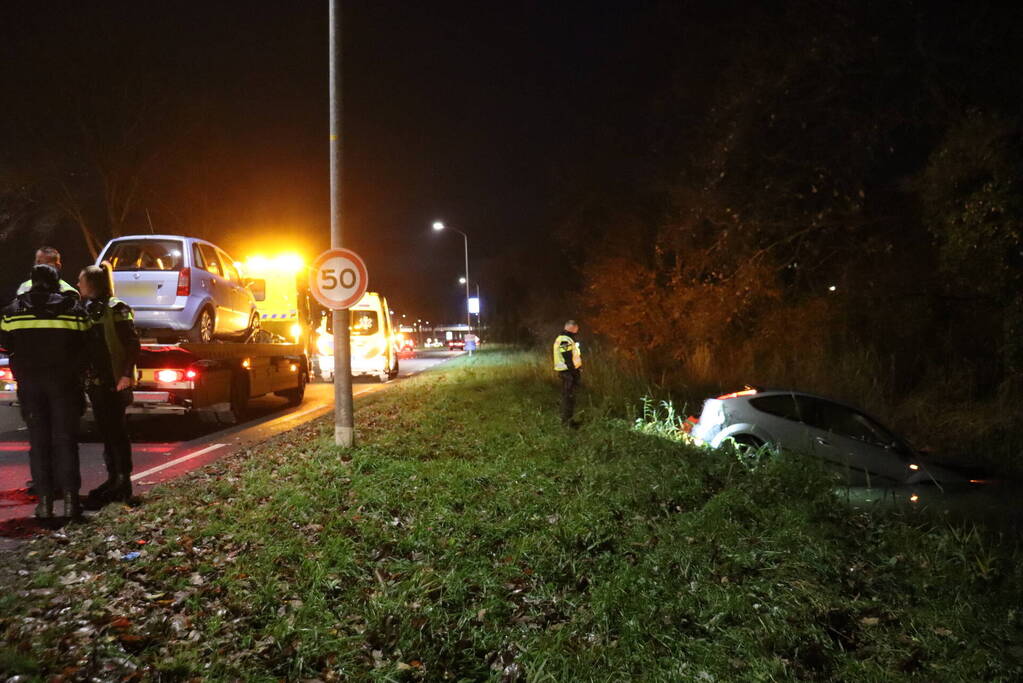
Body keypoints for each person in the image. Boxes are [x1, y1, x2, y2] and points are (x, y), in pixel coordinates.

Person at [0, 264, 92, 519]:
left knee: (39, 443)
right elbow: (87, 345)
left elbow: (5, 345)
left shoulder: (13, 312)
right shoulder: (74, 311)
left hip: (30, 386)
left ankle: (44, 504)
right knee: (66, 441)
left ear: (32, 282)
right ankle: (72, 503)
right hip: (65, 384)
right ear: (56, 283)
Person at [79, 264, 140, 507]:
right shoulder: (85, 309)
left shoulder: (117, 308)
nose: (78, 285)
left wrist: (126, 375)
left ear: (92, 283)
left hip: (115, 382)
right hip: (97, 382)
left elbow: (132, 344)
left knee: (117, 433)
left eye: (81, 281)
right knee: (106, 432)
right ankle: (113, 479)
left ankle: (123, 483)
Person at [552, 320, 583, 426]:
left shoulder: (565, 338)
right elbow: (567, 357)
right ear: (572, 328)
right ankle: (567, 422)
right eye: (576, 330)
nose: (577, 332)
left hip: (567, 371)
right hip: (567, 372)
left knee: (569, 397)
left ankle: (568, 420)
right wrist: (573, 371)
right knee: (568, 397)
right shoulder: (565, 340)